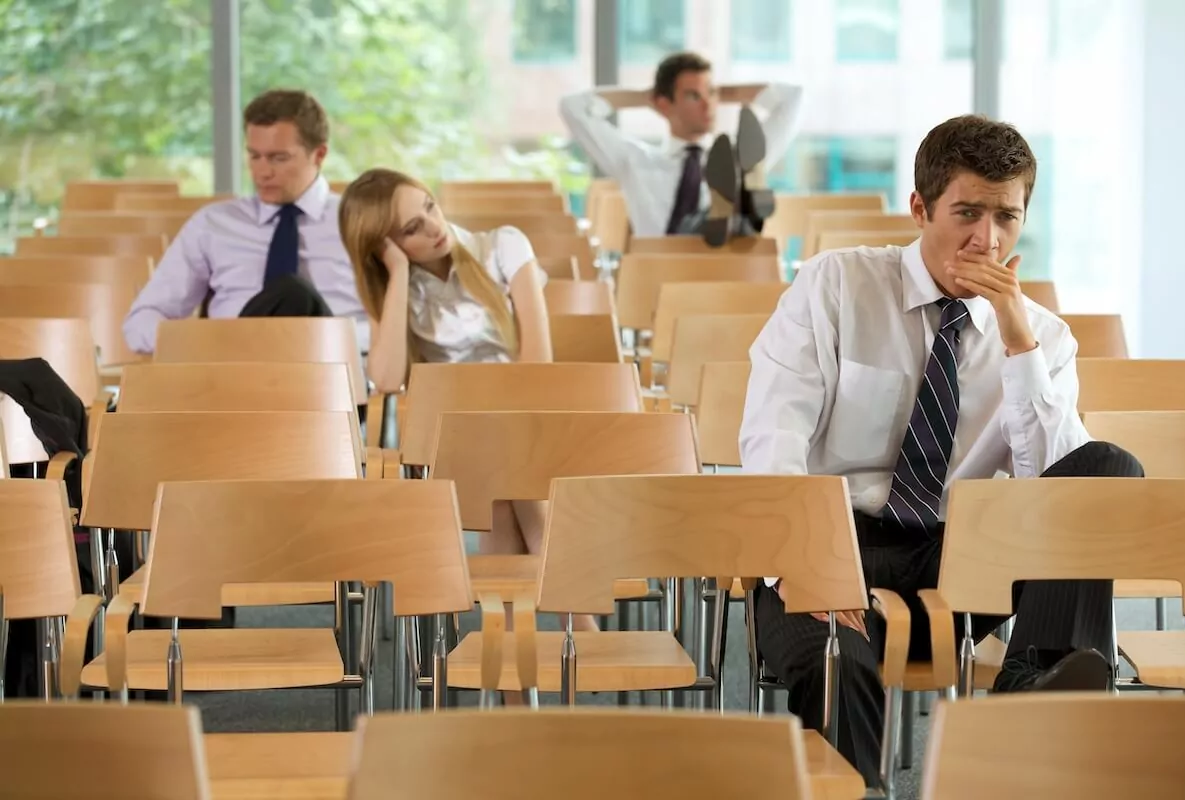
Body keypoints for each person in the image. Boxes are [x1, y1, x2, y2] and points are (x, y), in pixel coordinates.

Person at [739, 114, 1144, 786]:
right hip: (834, 542)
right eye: (967, 213)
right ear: (921, 208)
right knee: (836, 663)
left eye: (1007, 218)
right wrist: (804, 563)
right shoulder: (836, 286)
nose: (987, 239)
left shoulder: (1042, 338)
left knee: (1107, 469)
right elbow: (772, 434)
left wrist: (1017, 343)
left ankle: (1028, 689)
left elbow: (1055, 494)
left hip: (960, 559)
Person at [338, 168, 595, 641]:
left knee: (501, 491)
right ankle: (581, 629)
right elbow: (389, 378)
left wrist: (501, 422)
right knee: (498, 479)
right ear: (382, 247)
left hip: (532, 422)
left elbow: (538, 364)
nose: (434, 227)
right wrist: (395, 275)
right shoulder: (401, 289)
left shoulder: (503, 246)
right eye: (410, 229)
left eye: (429, 207)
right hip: (458, 446)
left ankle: (515, 687)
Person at [123, 89, 367, 354]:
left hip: (333, 367)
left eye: (278, 158)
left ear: (319, 155)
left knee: (294, 293)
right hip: (230, 367)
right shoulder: (213, 224)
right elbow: (141, 321)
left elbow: (402, 329)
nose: (262, 171)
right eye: (254, 156)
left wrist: (331, 336)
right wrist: (206, 342)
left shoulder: (360, 221)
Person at [560, 51, 802, 240]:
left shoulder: (740, 158)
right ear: (664, 104)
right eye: (693, 96)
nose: (708, 105)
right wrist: (645, 97)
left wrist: (727, 93)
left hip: (723, 277)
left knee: (743, 174)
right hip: (657, 276)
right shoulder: (635, 161)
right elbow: (573, 107)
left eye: (711, 94)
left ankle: (735, 215)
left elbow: (794, 98)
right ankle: (719, 219)